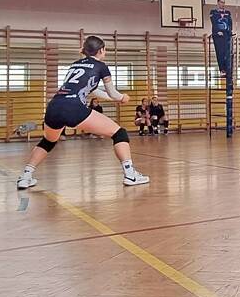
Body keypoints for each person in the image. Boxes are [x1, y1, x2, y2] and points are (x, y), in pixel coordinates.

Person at [17, 36, 148, 189]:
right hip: (73, 107)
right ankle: (131, 175)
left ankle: (26, 175)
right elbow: (113, 93)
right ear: (101, 50)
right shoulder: (101, 66)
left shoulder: (75, 64)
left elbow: (92, 89)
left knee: (48, 141)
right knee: (120, 133)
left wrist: (115, 99)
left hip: (54, 106)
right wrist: (122, 97)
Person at [210, 0, 233, 76]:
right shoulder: (213, 12)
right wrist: (217, 31)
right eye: (221, 2)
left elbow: (230, 23)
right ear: (218, 3)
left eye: (224, 2)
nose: (223, 4)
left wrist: (230, 32)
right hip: (218, 35)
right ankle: (222, 69)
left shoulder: (227, 12)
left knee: (227, 53)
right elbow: (214, 22)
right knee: (220, 52)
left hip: (226, 34)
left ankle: (227, 69)